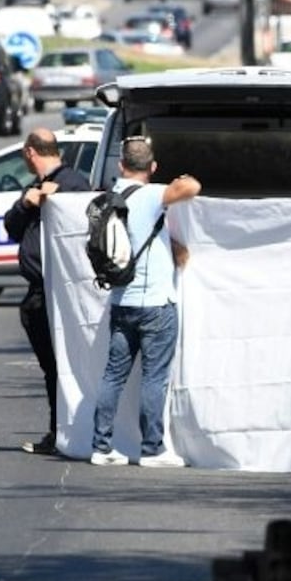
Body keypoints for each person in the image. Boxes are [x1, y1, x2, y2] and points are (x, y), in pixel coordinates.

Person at [89, 137, 201, 467]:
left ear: (120, 165)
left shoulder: (110, 199)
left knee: (113, 376)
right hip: (156, 304)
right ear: (152, 168)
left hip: (122, 300)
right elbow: (193, 187)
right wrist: (179, 179)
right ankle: (152, 448)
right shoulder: (154, 194)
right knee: (154, 378)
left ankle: (101, 446)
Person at [3, 129, 91, 456]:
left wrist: (58, 198)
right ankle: (60, 430)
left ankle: (65, 432)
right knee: (50, 367)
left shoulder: (72, 183)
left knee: (61, 365)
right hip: (37, 291)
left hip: (59, 292)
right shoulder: (34, 188)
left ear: (30, 152)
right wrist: (27, 203)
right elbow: (11, 227)